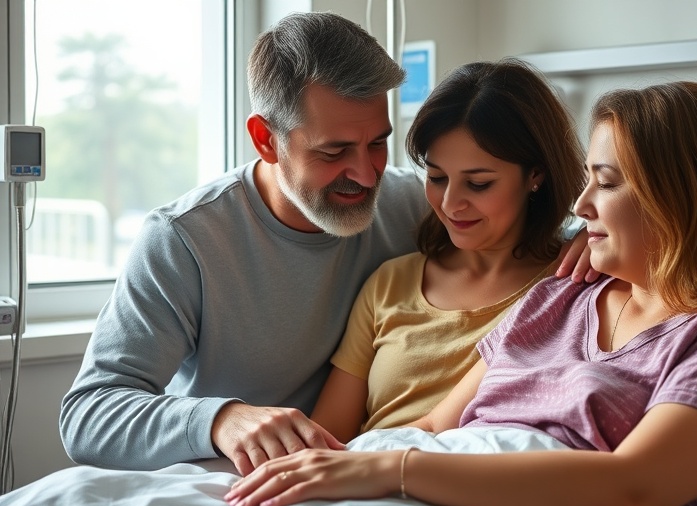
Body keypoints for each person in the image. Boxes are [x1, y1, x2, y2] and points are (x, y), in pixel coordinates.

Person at [223, 49, 697, 506]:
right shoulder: (565, 295)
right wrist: (340, 470)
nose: (582, 204)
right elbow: (439, 429)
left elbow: (638, 485)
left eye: (606, 182)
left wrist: (395, 472)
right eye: (588, 180)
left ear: (681, 196)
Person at [59, 11, 591, 477]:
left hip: (356, 463)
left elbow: (517, 228)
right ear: (266, 140)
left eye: (378, 143)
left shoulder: (411, 203)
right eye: (334, 151)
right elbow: (87, 416)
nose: (365, 174)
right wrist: (222, 418)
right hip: (232, 473)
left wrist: (594, 237)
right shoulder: (185, 241)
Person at [309, 58, 585, 443]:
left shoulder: (573, 284)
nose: (451, 204)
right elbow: (326, 439)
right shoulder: (391, 283)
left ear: (535, 175)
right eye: (437, 178)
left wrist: (603, 238)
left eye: (479, 184)